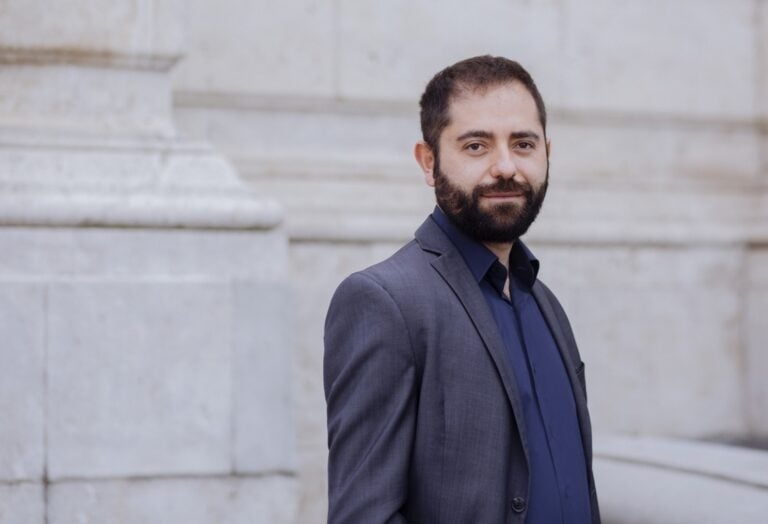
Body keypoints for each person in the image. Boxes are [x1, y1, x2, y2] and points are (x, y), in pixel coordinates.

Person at [323, 55, 600, 524]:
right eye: (476, 146)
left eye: (524, 144)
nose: (506, 167)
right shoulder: (384, 302)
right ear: (428, 162)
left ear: (547, 153)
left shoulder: (546, 305)